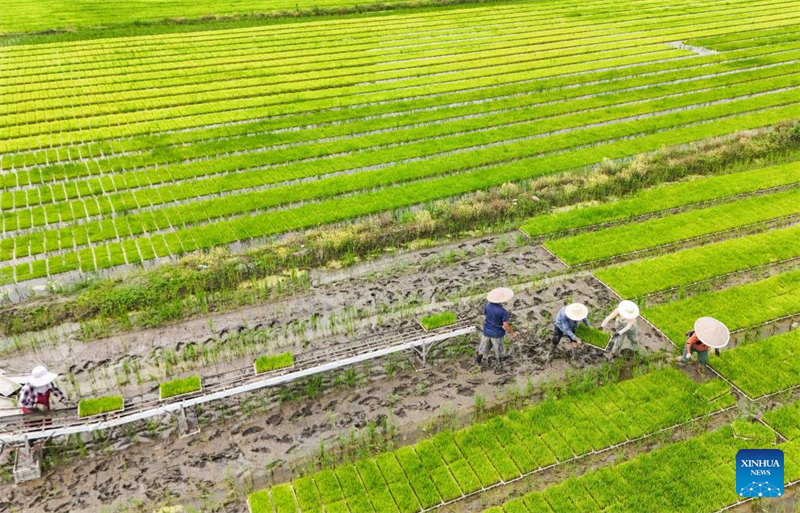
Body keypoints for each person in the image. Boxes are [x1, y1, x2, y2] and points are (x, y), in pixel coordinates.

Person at [477, 287, 517, 366]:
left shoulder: (488, 306)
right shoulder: (502, 311)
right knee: (498, 350)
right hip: (497, 334)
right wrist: (512, 333)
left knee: (482, 349)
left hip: (486, 332)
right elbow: (505, 325)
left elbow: (487, 315)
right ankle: (499, 364)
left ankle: (478, 361)